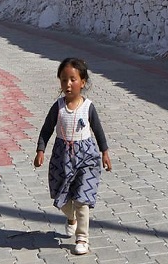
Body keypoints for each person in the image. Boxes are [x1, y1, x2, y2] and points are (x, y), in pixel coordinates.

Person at [34, 57, 112, 256]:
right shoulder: (58, 107)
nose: (67, 84)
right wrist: (40, 150)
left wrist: (105, 153)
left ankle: (82, 237)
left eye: (72, 79)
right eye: (63, 80)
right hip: (62, 158)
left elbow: (98, 130)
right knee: (61, 198)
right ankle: (71, 218)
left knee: (82, 200)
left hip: (86, 158)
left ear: (83, 82)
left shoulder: (88, 107)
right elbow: (46, 129)